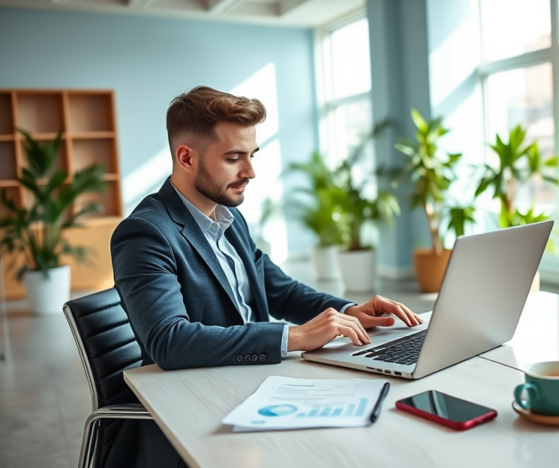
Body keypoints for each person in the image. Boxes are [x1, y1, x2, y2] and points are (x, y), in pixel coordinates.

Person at [108, 86, 422, 468]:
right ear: (186, 157)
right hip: (200, 406)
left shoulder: (228, 216)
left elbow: (279, 290)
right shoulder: (146, 233)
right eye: (233, 158)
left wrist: (349, 310)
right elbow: (170, 342)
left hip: (252, 383)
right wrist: (296, 336)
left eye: (251, 155)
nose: (250, 172)